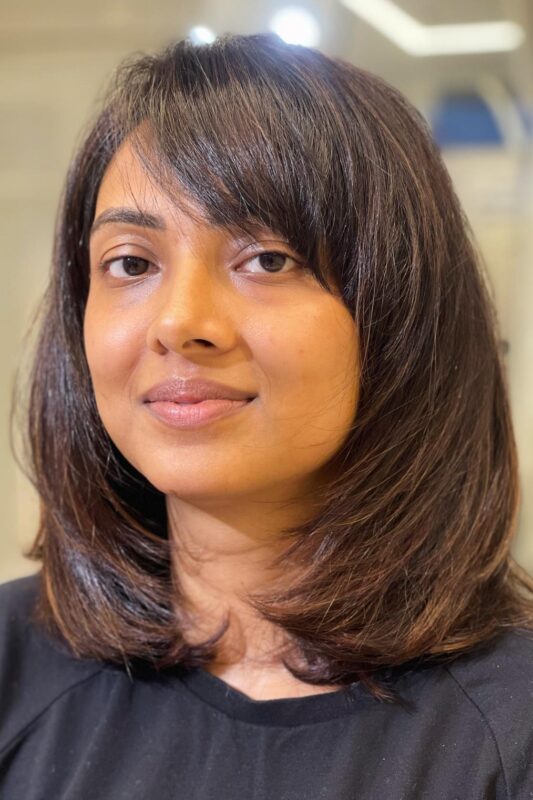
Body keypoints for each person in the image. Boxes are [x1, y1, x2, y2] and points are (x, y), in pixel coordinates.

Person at [1, 31, 532, 799]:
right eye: (131, 264)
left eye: (268, 260)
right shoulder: (16, 671)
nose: (180, 322)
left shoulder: (508, 728)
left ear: (400, 316)